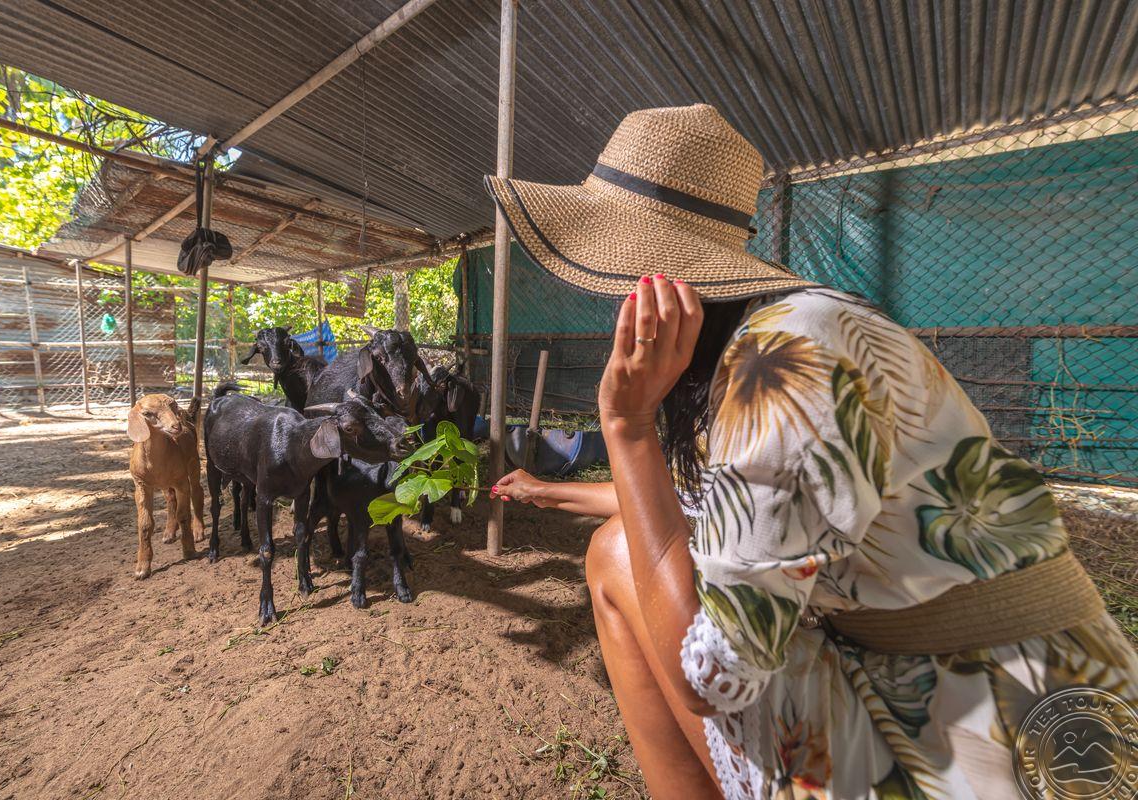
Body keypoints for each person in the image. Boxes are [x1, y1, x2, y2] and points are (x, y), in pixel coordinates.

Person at [484, 105, 1138, 799]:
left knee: (619, 555)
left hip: (988, 730)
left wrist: (627, 425)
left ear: (660, 287)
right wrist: (548, 490)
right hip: (1006, 681)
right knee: (628, 543)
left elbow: (708, 679)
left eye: (616, 276)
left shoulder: (777, 364)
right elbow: (694, 510)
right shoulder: (787, 329)